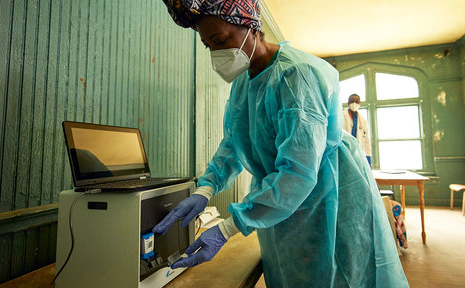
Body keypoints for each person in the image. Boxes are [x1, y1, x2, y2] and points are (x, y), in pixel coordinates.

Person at [153, 1, 409, 287]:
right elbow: (235, 141)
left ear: (251, 26)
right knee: (291, 274)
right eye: (208, 45)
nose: (216, 52)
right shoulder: (245, 80)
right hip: (283, 199)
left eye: (220, 40)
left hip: (327, 194)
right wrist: (206, 188)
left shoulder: (295, 76)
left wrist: (227, 229)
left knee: (338, 273)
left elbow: (298, 173)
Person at [342, 94, 373, 165]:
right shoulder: (341, 116)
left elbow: (366, 139)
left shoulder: (363, 120)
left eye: (356, 102)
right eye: (352, 101)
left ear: (359, 103)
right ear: (348, 103)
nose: (354, 104)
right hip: (344, 149)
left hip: (357, 151)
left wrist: (368, 155)